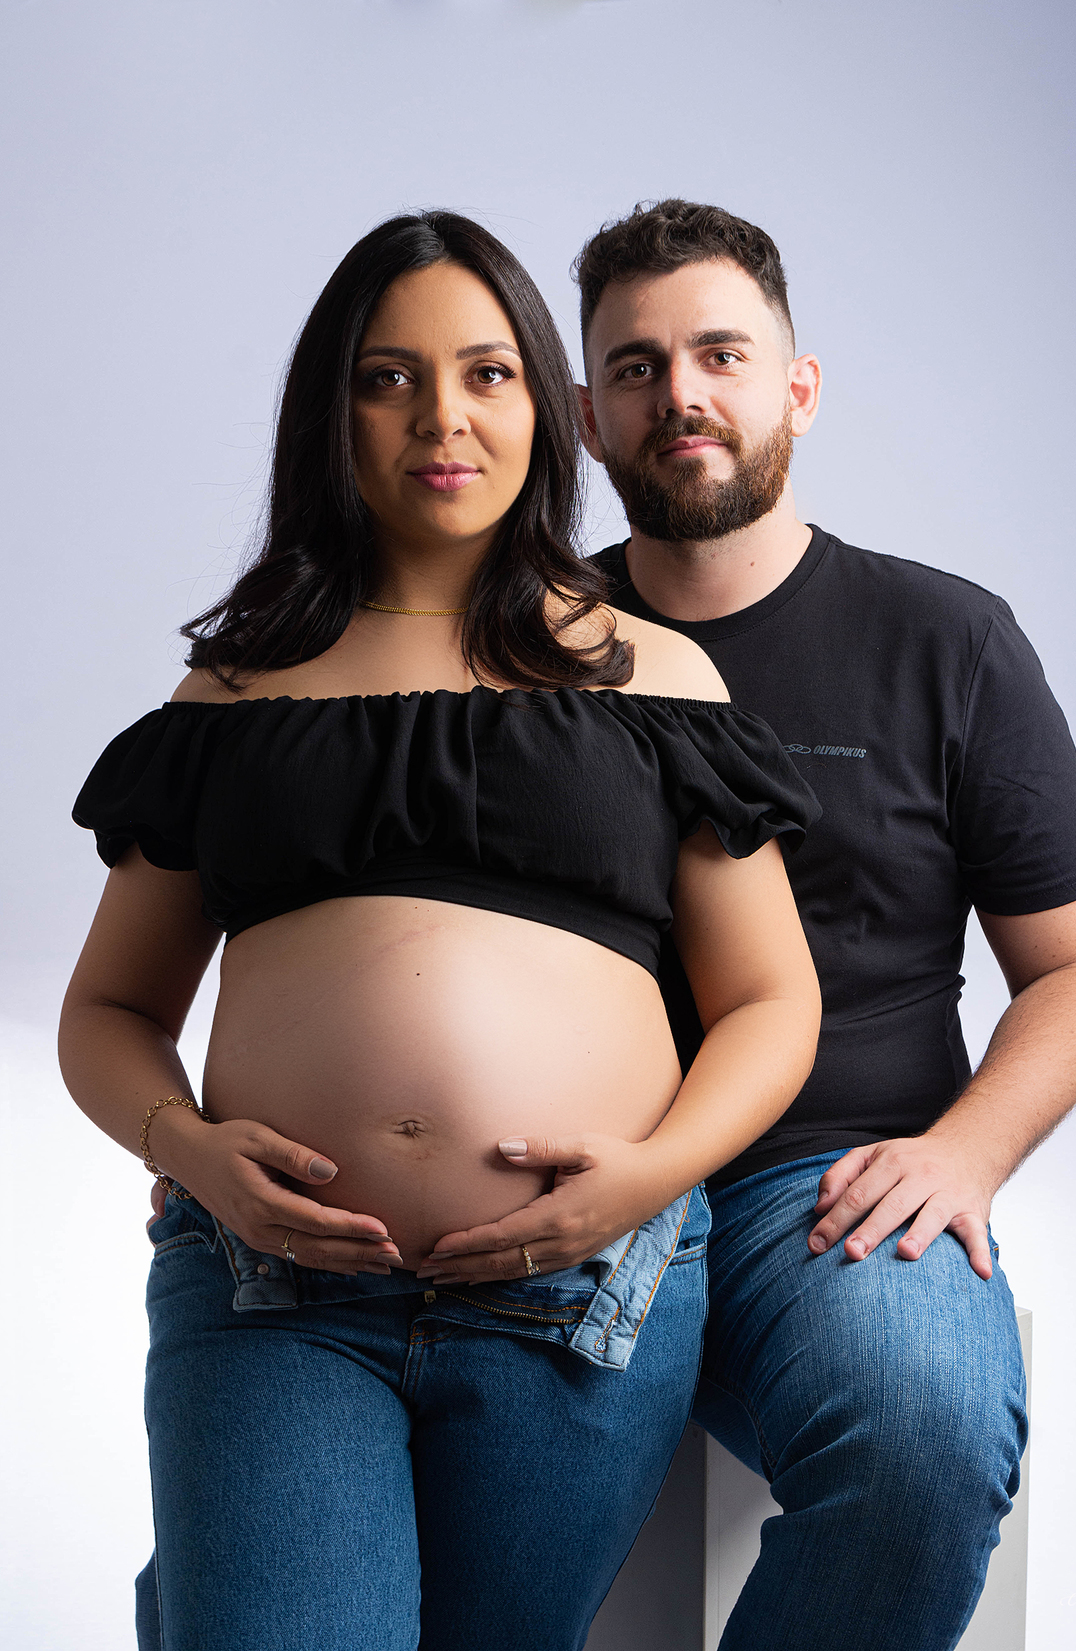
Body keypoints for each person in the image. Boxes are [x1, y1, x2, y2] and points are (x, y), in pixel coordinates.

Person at [58, 210, 823, 1651]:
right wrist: (190, 1151)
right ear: (330, 412)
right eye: (388, 378)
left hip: (583, 1290)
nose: (442, 418)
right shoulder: (232, 695)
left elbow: (772, 1004)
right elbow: (106, 1012)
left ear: (545, 404)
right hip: (273, 1291)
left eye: (487, 373)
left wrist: (643, 1179)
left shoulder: (653, 678)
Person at [430, 201, 1076, 1651]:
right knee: (293, 1526)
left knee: (922, 1445)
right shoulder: (506, 651)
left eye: (722, 355)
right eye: (635, 368)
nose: (680, 394)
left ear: (797, 389)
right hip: (551, 1177)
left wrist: (966, 1152)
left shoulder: (947, 641)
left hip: (824, 1191)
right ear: (587, 418)